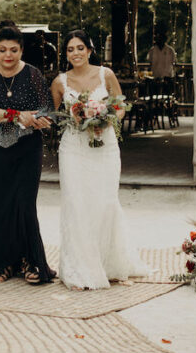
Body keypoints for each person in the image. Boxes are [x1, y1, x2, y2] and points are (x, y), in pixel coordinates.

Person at [51, 30, 147, 290]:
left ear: (90, 50)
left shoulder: (106, 74)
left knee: (104, 202)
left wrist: (107, 117)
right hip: (73, 147)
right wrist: (76, 118)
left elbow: (122, 105)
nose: (76, 53)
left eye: (80, 48)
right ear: (66, 54)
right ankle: (78, 269)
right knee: (76, 203)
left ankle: (108, 263)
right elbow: (56, 116)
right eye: (70, 49)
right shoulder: (60, 81)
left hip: (104, 145)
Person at [0, 26, 55, 284]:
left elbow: (47, 109)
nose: (8, 55)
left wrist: (41, 119)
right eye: (3, 50)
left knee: (24, 203)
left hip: (27, 146)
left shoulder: (33, 74)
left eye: (14, 50)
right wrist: (16, 114)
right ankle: (2, 261)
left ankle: (30, 261)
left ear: (21, 50)